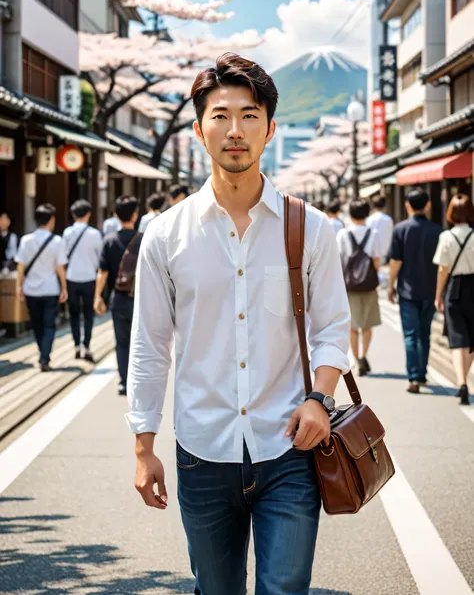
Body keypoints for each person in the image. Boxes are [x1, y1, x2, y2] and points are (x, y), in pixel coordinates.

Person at [127, 53, 350, 595]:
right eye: (220, 115)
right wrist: (143, 447)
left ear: (270, 129)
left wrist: (319, 399)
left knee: (285, 589)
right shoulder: (165, 234)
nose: (235, 130)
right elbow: (150, 345)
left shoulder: (310, 229)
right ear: (199, 129)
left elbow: (332, 327)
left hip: (289, 449)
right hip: (202, 451)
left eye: (250, 116)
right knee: (216, 589)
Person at [388, 188, 442, 394]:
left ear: (407, 205)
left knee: (411, 334)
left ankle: (413, 377)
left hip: (407, 291)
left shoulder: (400, 229)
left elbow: (395, 261)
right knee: (425, 333)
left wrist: (391, 285)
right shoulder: (437, 231)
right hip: (430, 289)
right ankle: (422, 372)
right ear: (427, 205)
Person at [94, 195, 142, 395]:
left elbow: (102, 272)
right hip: (141, 299)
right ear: (135, 215)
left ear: (115, 215)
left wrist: (98, 296)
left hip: (119, 299)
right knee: (140, 343)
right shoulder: (144, 239)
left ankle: (124, 382)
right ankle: (139, 382)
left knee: (122, 343)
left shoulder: (109, 240)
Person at [15, 203, 68, 371]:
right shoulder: (57, 241)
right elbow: (60, 267)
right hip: (50, 288)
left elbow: (20, 267)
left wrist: (18, 286)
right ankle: (44, 356)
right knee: (49, 324)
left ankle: (43, 352)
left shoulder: (26, 240)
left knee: (36, 323)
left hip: (31, 289)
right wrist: (64, 288)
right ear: (51, 220)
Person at [433, 194, 474, 405]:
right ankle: (464, 379)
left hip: (454, 289)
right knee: (471, 340)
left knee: (458, 339)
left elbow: (442, 270)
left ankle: (461, 382)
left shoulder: (446, 237)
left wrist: (438, 295)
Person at [337, 199, 381, 376]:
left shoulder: (342, 234)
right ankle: (364, 355)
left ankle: (355, 360)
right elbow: (377, 261)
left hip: (349, 286)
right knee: (368, 324)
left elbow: (339, 261)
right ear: (367, 213)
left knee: (352, 326)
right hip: (369, 285)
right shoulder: (374, 233)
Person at [63, 200, 103, 362]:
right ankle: (86, 344)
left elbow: (63, 256)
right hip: (89, 277)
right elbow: (100, 257)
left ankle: (76, 345)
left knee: (73, 314)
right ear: (88, 214)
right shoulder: (94, 234)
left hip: (71, 277)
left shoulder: (67, 233)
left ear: (73, 214)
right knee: (88, 314)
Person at [367, 194, 394, 264]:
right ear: (384, 205)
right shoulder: (389, 220)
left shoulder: (369, 219)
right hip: (386, 254)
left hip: (371, 254)